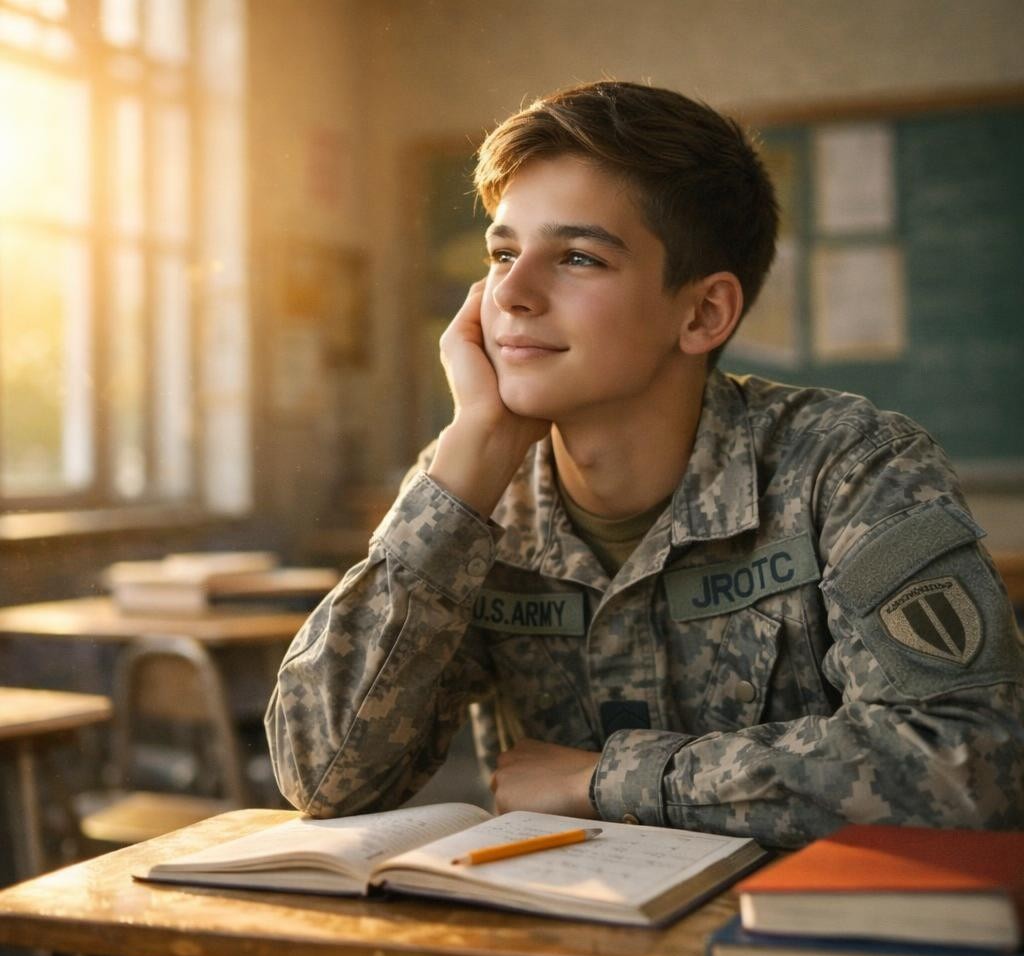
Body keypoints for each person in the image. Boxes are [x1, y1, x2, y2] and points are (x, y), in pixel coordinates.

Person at [265, 81, 1024, 848]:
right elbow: (322, 776)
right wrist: (466, 460)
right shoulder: (470, 485)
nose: (512, 293)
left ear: (702, 314)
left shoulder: (850, 466)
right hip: (558, 943)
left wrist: (604, 781)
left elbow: (973, 763)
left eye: (578, 257)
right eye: (502, 253)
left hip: (797, 944)